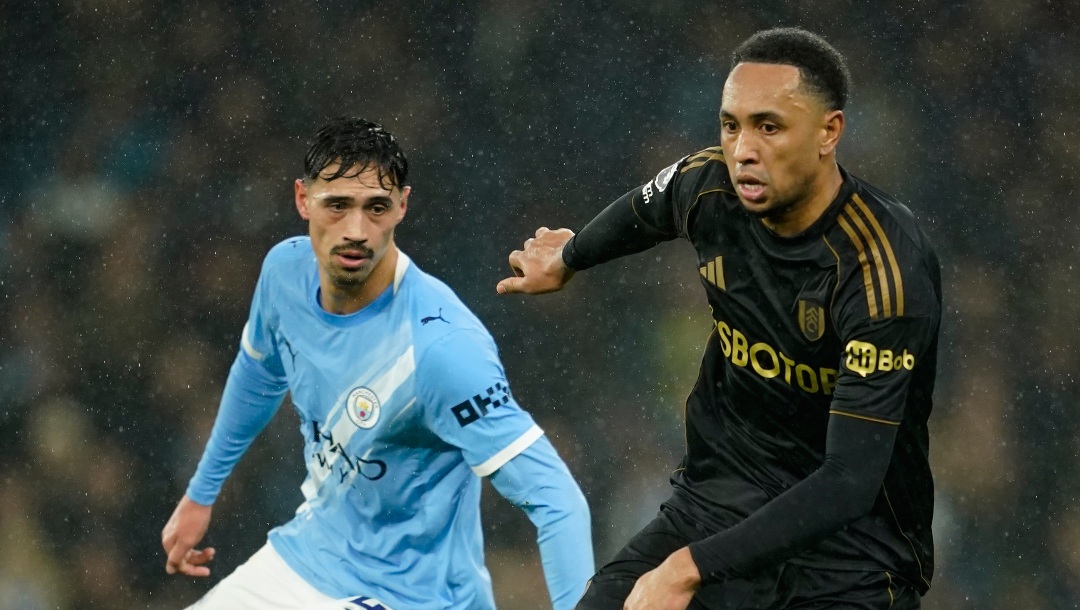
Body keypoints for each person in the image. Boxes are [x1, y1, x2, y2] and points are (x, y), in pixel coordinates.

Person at [498, 27, 941, 610]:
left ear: (829, 132)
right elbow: (646, 209)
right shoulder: (709, 185)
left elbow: (848, 483)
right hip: (715, 504)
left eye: (769, 126)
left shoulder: (882, 270)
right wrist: (570, 258)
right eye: (731, 125)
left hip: (851, 555)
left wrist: (686, 570)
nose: (742, 149)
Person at [162, 117, 594, 610]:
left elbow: (558, 503)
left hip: (416, 597)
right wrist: (201, 494)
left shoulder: (442, 350)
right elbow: (258, 374)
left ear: (402, 207)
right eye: (337, 205)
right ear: (303, 199)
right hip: (308, 554)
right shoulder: (283, 273)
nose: (356, 231)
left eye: (376, 208)